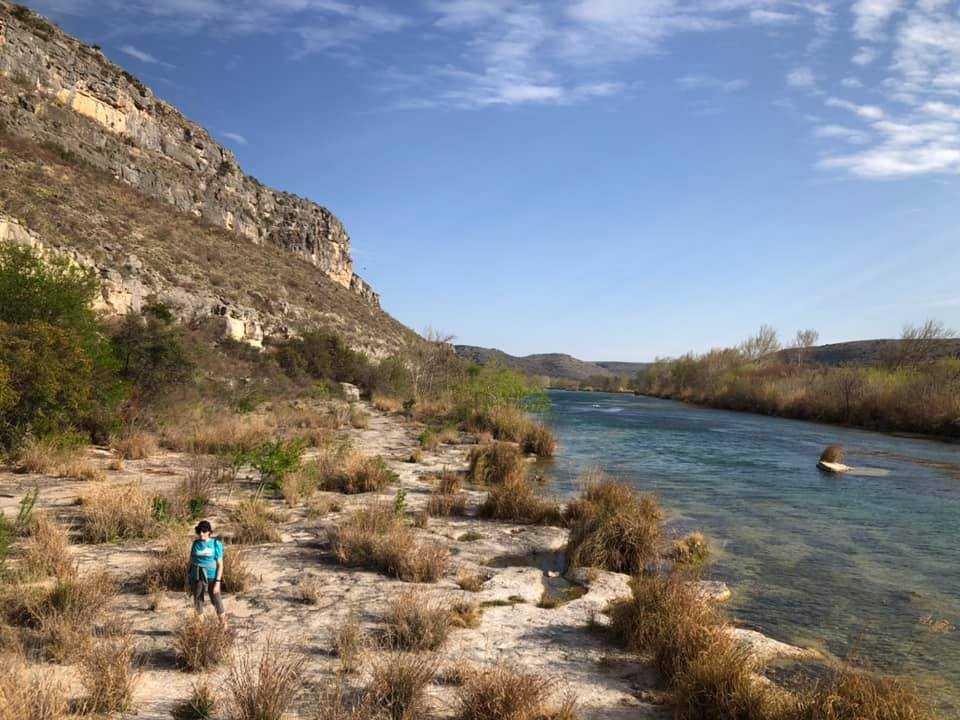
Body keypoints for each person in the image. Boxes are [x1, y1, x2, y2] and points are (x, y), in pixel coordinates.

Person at [189, 520, 227, 627]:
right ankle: (200, 628)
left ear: (209, 532)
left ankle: (224, 626)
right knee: (198, 600)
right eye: (199, 531)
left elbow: (220, 564)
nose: (201, 534)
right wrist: (187, 576)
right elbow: (191, 561)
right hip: (197, 576)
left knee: (217, 600)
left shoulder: (216, 544)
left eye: (204, 531)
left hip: (212, 577)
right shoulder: (195, 544)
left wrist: (218, 582)